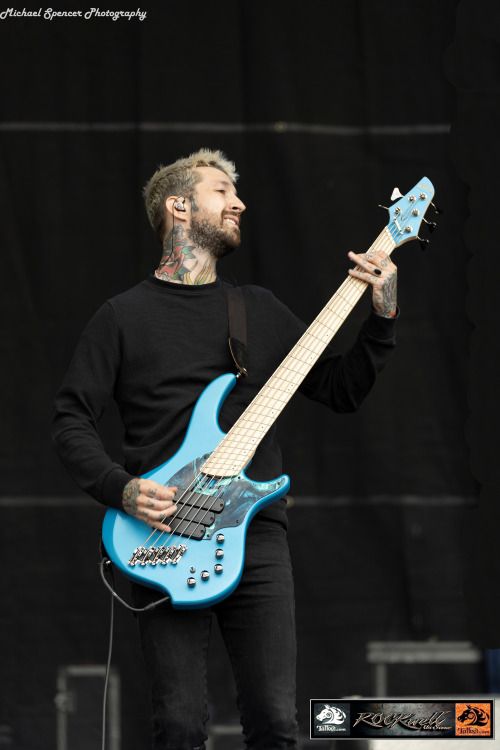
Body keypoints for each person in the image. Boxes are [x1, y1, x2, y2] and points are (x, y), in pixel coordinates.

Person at [51, 148, 398, 749]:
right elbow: (70, 420)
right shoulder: (122, 317)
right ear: (178, 206)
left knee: (275, 721)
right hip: (163, 533)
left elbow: (341, 390)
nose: (239, 203)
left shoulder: (257, 310)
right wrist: (121, 489)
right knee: (180, 723)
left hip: (255, 534)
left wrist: (383, 314)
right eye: (221, 191)